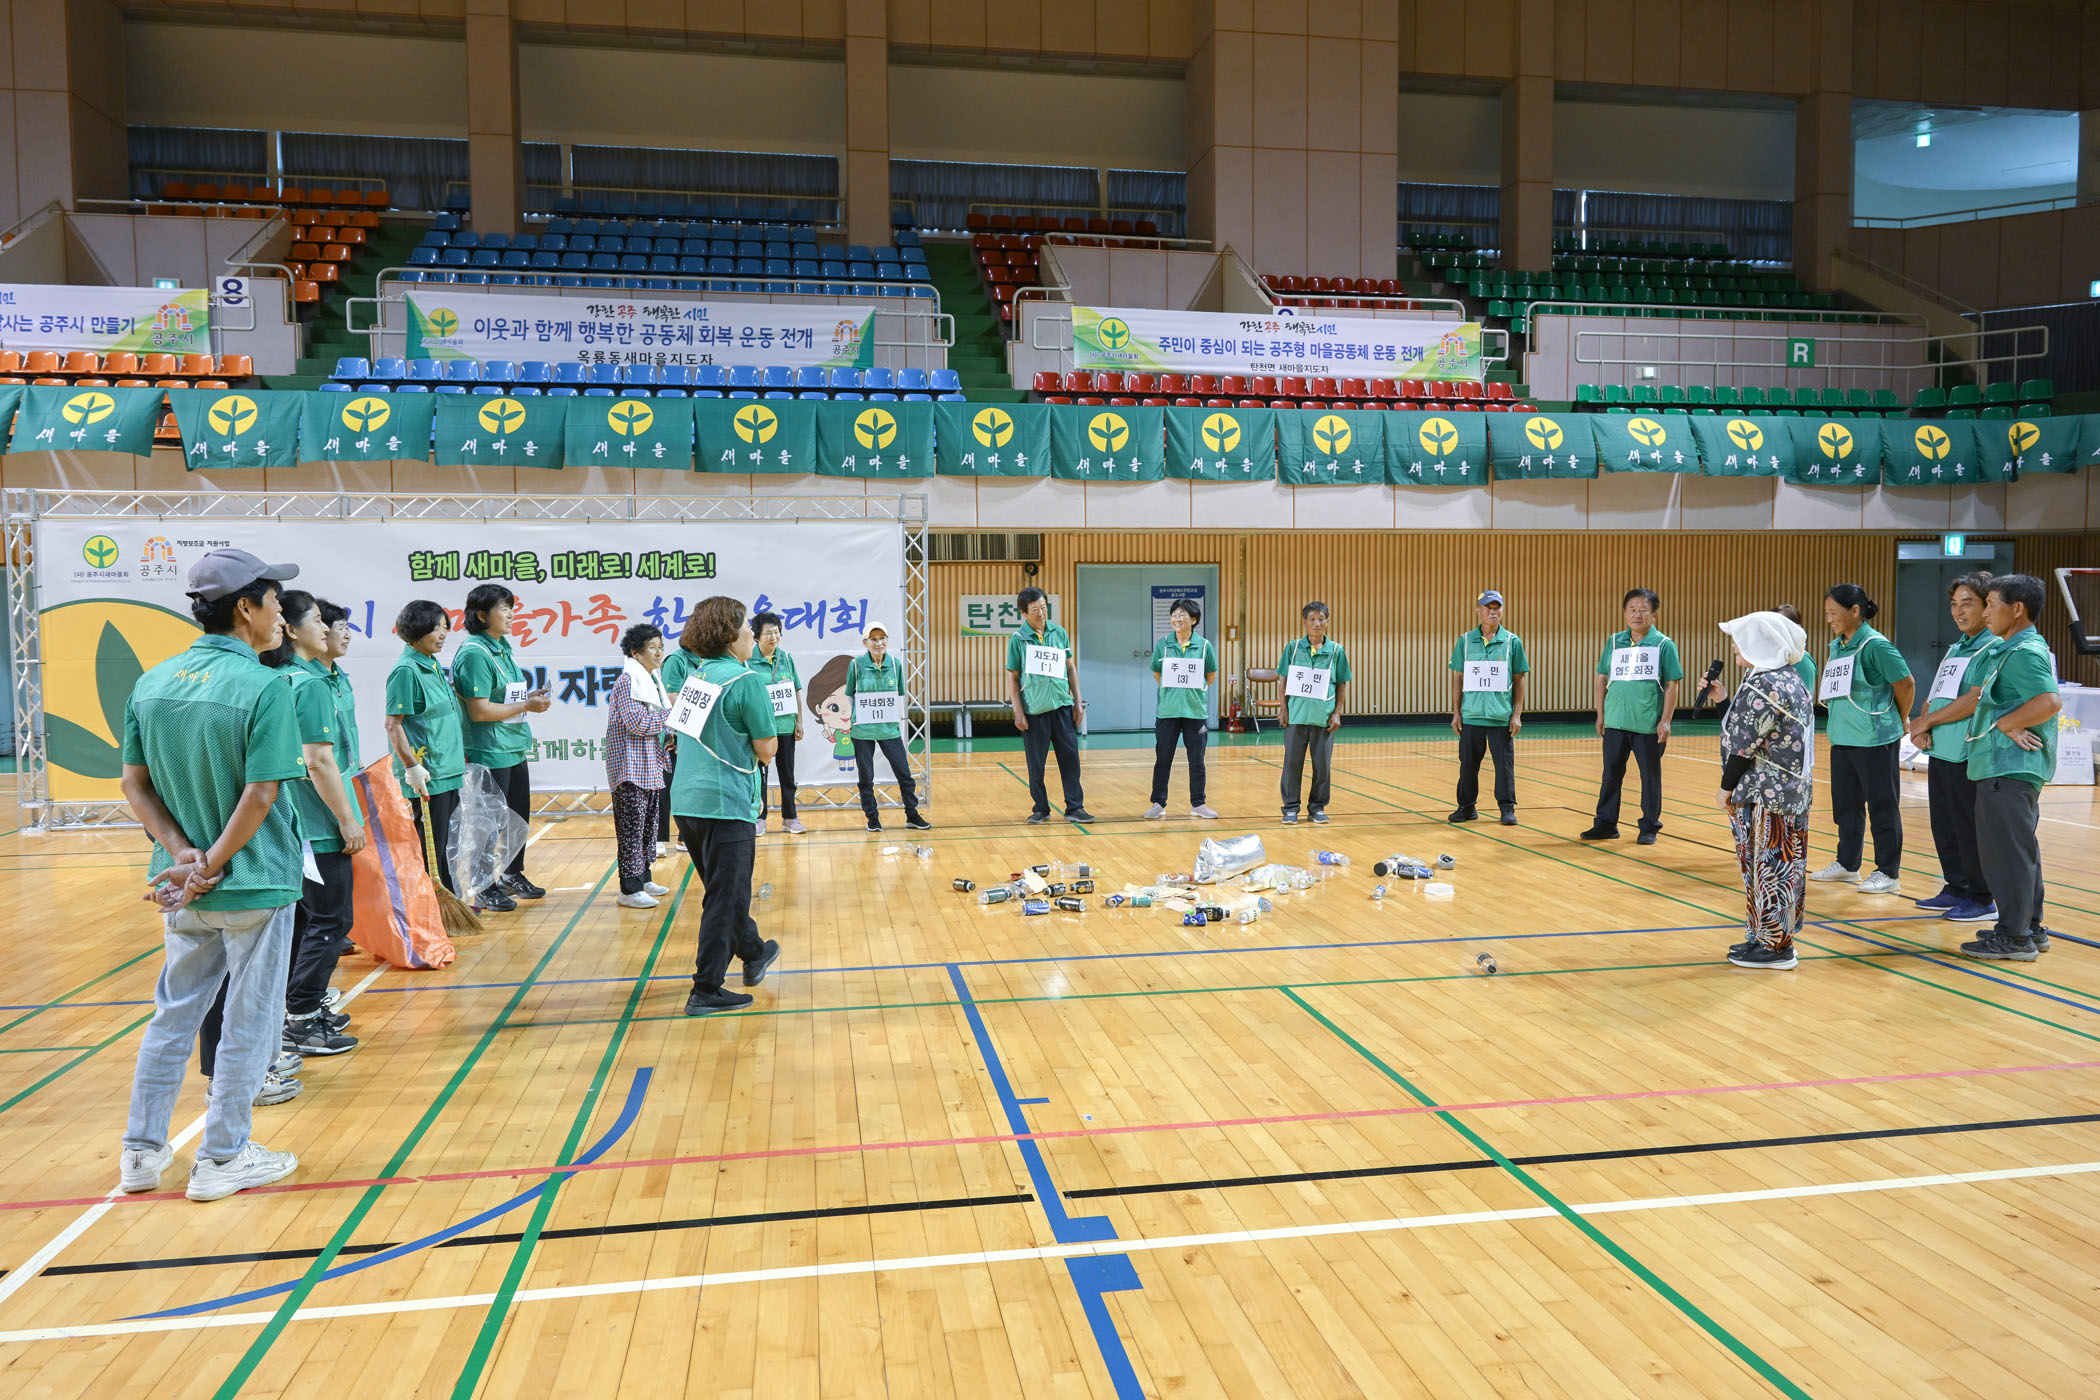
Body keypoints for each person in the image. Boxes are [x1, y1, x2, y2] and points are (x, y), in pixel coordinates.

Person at [117, 548, 305, 1203]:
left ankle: (141, 1152)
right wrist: (215, 863)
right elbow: (261, 794)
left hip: (181, 885)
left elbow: (134, 785)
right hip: (254, 882)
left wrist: (185, 857)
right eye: (275, 603)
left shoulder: (151, 683)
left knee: (173, 1015)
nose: (281, 616)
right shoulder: (264, 687)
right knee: (250, 1021)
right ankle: (223, 1156)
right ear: (245, 608)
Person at [1928, 575, 2062, 961]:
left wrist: (2007, 723)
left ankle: (2014, 937)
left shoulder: (2024, 652)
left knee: (2007, 855)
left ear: (2016, 609)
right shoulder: (2005, 649)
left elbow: (2049, 701)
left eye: (1991, 604)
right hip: (1999, 766)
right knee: (2018, 851)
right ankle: (2028, 928)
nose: (1985, 612)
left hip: (2009, 767)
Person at [669, 598, 781, 1014]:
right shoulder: (746, 680)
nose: (753, 633)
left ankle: (753, 950)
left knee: (722, 891)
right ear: (730, 635)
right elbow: (767, 749)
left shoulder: (697, 676)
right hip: (726, 802)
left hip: (687, 801)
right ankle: (706, 988)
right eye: (747, 627)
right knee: (728, 897)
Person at [276, 593, 363, 1056]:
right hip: (317, 822)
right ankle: (303, 1018)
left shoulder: (295, 677)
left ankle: (295, 1009)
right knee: (330, 919)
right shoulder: (307, 684)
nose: (329, 629)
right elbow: (318, 761)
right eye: (318, 621)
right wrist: (346, 820)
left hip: (300, 820)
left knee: (307, 918)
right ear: (292, 630)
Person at [1712, 612, 1815, 970]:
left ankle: (1775, 947)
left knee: (1771, 867)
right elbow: (1748, 727)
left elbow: (1743, 745)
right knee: (1776, 865)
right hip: (1786, 793)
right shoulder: (1787, 678)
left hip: (1767, 794)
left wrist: (1725, 787)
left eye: (1741, 640)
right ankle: (1764, 937)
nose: (1735, 647)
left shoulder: (1764, 684)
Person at [1905, 572, 1999, 924]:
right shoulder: (1957, 646)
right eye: (1954, 604)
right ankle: (1956, 886)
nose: (1959, 611)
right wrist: (1922, 726)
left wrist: (1927, 721)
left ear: (1987, 605)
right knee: (1944, 825)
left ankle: (1982, 897)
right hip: (1941, 750)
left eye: (1967, 603)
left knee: (1968, 826)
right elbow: (1936, 692)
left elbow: (1974, 699)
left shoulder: (1992, 647)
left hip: (1967, 751)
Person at [453, 584, 552, 910]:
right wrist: (528, 705)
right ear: (482, 615)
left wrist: (529, 698)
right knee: (487, 822)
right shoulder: (474, 654)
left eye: (511, 608)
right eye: (504, 609)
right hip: (489, 750)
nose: (511, 615)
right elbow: (479, 711)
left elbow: (502, 698)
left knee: (516, 816)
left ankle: (511, 873)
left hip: (512, 746)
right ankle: (483, 885)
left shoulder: (500, 648)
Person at [1810, 583, 1914, 894]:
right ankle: (1847, 864)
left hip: (1874, 739)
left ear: (1855, 611)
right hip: (1842, 737)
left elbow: (1906, 684)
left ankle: (1888, 872)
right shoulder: (1838, 645)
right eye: (1826, 613)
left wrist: (1901, 718)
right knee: (1846, 806)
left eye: (1833, 612)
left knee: (1882, 806)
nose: (1829, 619)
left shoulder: (1876, 646)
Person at [1582, 588, 1682, 845]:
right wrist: (1601, 714)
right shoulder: (1614, 642)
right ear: (1625, 613)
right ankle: (1606, 824)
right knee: (1610, 774)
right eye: (1632, 609)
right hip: (1615, 721)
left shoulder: (1664, 645)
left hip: (1648, 725)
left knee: (1650, 777)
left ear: (1654, 615)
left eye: (1643, 610)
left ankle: (1649, 826)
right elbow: (1602, 677)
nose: (1637, 615)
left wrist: (1665, 720)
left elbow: (1672, 684)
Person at [385, 600, 467, 899]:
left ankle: (448, 902)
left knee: (444, 844)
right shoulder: (406, 671)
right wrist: (411, 766)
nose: (443, 635)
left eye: (445, 628)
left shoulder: (431, 664)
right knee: (430, 847)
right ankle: (428, 906)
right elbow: (393, 724)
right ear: (417, 629)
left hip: (448, 769)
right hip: (428, 774)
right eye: (436, 628)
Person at [1006, 586, 1093, 823]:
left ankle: (1075, 807)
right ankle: (1041, 808)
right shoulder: (1018, 639)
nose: (1041, 613)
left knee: (1070, 759)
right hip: (1035, 711)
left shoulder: (1059, 632)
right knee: (1036, 764)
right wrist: (1018, 711)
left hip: (1062, 706)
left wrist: (1078, 701)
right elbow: (1013, 676)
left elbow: (1070, 668)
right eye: (1035, 610)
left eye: (1043, 607)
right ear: (1024, 613)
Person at [606, 623, 673, 910]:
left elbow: (655, 723)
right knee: (632, 830)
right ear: (635, 652)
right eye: (652, 648)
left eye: (660, 647)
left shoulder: (652, 680)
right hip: (630, 769)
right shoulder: (628, 681)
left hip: (649, 765)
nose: (658, 653)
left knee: (647, 828)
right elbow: (637, 723)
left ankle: (643, 879)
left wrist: (670, 733)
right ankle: (629, 889)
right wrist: (671, 717)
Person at [1448, 589, 1529, 826]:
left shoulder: (1512, 642)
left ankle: (1507, 808)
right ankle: (1466, 807)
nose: (1493, 612)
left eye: (1497, 608)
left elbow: (1519, 679)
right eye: (1488, 608)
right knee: (1468, 765)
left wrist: (1516, 714)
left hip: (1500, 716)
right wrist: (1456, 712)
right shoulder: (1465, 641)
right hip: (1471, 715)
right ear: (1478, 611)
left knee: (1503, 766)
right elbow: (1458, 678)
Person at [845, 620, 929, 832]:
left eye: (882, 638)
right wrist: (856, 717)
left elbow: (899, 694)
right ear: (865, 642)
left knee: (904, 772)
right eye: (873, 639)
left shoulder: (895, 664)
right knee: (866, 777)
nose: (878, 643)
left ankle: (912, 814)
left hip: (889, 728)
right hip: (862, 730)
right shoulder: (855, 665)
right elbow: (850, 695)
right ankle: (872, 818)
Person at [1277, 601, 1351, 824]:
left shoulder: (1336, 651)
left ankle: (1317, 808)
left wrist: (1337, 713)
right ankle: (1290, 808)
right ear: (1304, 622)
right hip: (1297, 716)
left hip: (1323, 718)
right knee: (1292, 764)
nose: (1317, 624)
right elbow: (1283, 679)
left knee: (1322, 766)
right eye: (1312, 619)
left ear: (1327, 622)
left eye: (1321, 619)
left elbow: (1342, 684)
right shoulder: (1292, 648)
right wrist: (1283, 708)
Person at [1146, 598, 1218, 820]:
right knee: (1163, 758)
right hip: (1167, 712)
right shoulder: (1163, 644)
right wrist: (1171, 691)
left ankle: (1199, 804)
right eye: (1174, 615)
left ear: (1193, 620)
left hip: (1195, 712)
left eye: (1182, 615)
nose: (1176, 619)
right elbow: (1156, 671)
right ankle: (1158, 803)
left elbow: (1211, 675)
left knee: (1197, 760)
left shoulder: (1204, 646)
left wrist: (1196, 691)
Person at [747, 610, 806, 835]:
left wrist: (799, 721)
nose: (774, 637)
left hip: (785, 727)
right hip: (760, 729)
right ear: (756, 637)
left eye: (777, 632)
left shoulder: (786, 658)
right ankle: (759, 818)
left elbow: (795, 690)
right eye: (768, 633)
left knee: (787, 774)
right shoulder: (747, 660)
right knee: (759, 775)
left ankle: (790, 817)